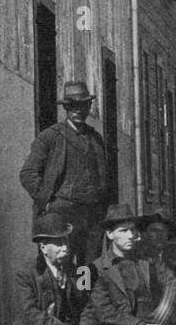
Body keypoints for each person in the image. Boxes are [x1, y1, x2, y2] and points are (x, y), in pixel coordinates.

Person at [19, 81, 109, 269]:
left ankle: (84, 297)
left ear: (89, 106)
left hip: (91, 217)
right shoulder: (50, 137)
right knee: (60, 267)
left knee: (88, 268)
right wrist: (48, 202)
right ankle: (61, 299)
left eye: (82, 105)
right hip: (61, 215)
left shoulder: (96, 138)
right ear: (65, 108)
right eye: (72, 106)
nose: (77, 110)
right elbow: (28, 173)